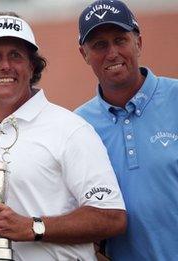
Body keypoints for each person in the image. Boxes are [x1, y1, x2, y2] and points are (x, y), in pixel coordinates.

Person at [0, 12, 127, 260]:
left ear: (32, 66)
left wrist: (33, 227)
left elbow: (112, 217)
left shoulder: (71, 129)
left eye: (16, 55)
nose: (5, 66)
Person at [75, 1, 178, 260]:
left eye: (120, 40)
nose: (112, 53)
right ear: (83, 54)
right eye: (99, 45)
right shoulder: (77, 126)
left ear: (139, 43)